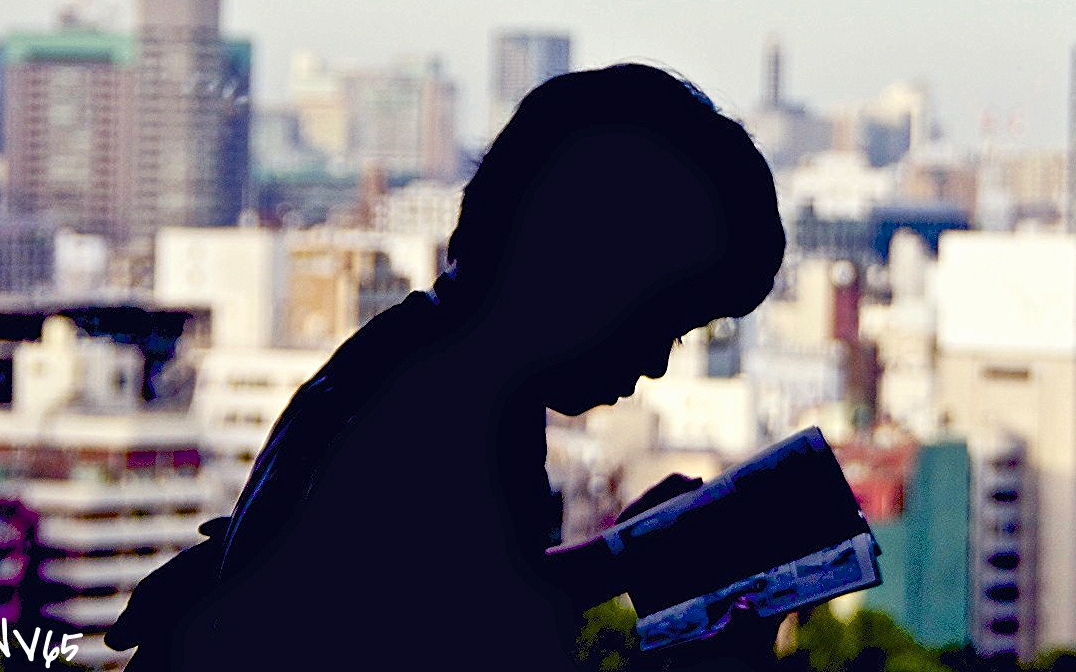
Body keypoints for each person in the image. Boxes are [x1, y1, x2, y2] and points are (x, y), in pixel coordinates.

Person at [108, 61, 787, 672]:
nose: (658, 362)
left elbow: (451, 599)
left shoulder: (417, 360)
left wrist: (620, 555)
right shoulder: (458, 434)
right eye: (659, 318)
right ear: (586, 268)